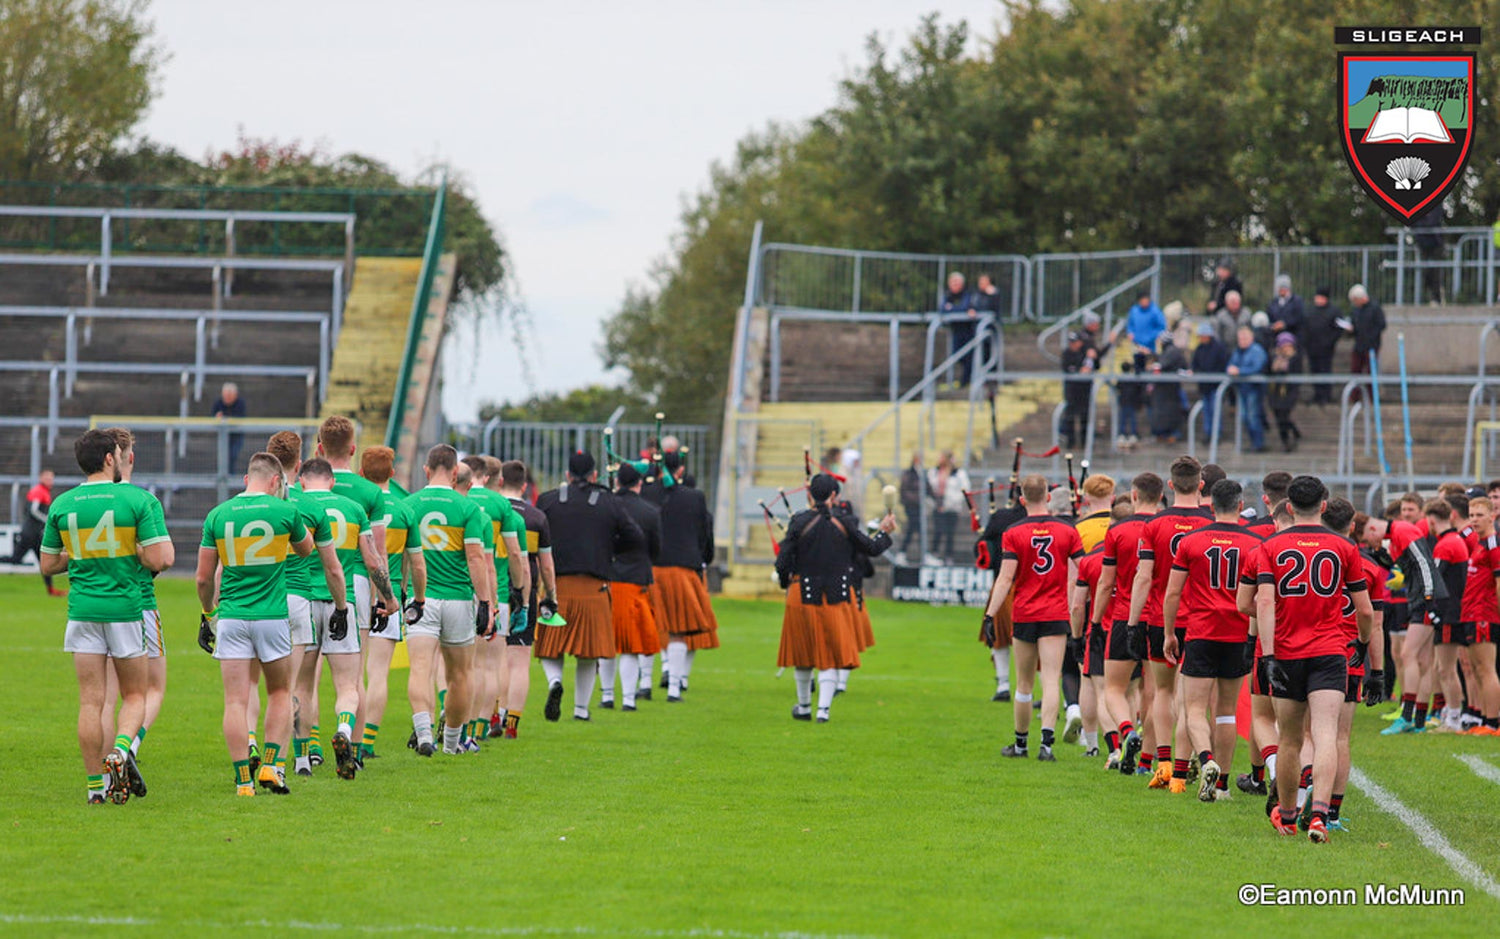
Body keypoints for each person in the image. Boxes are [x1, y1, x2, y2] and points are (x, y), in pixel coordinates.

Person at [41, 429, 173, 803]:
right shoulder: (135, 499)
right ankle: (120, 752)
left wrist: (84, 555)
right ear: (110, 459)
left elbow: (49, 564)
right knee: (134, 695)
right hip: (126, 610)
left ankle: (95, 789)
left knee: (90, 701)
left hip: (82, 610)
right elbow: (160, 558)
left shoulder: (63, 504)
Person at [1254, 476, 1374, 842]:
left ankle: (1288, 817)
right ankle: (1320, 815)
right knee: (1325, 734)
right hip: (1329, 651)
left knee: (1289, 740)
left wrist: (1269, 654)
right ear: (1324, 506)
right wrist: (1364, 644)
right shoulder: (1344, 547)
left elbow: (1260, 602)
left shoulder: (1270, 545)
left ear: (1288, 507)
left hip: (1287, 652)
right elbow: (1364, 610)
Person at [196, 452, 323, 796]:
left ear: (246, 479)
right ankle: (270, 764)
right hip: (272, 617)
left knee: (235, 701)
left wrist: (209, 614)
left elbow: (204, 578)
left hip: (233, 617)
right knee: (280, 692)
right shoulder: (286, 510)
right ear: (275, 482)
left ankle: (243, 782)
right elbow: (307, 550)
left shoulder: (218, 514)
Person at [1163, 479, 1262, 802]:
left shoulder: (1192, 541)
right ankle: (1222, 785)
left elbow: (1173, 592)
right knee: (1226, 712)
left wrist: (1168, 634)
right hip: (1237, 633)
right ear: (1239, 504)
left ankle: (1206, 759)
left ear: (1210, 506)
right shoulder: (1255, 543)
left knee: (1193, 709)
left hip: (1202, 632)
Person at [295, 458, 390, 776]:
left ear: (302, 480)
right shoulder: (354, 509)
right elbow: (373, 560)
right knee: (348, 685)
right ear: (332, 481)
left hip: (304, 602)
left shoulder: (296, 505)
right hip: (343, 601)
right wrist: (387, 599)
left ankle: (302, 759)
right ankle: (346, 732)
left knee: (302, 685)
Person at [775, 473, 895, 722]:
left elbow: (782, 561)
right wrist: (884, 531)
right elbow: (871, 549)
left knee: (803, 653)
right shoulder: (845, 522)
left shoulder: (798, 521)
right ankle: (823, 710)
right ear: (833, 496)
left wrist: (786, 582)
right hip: (836, 596)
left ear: (809, 495)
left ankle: (804, 707)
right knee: (829, 653)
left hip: (801, 595)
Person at [1125, 456, 1212, 793]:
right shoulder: (1212, 522)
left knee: (1162, 691)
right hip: (1203, 621)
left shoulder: (1154, 524)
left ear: (1171, 485)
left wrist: (1133, 623)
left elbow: (1143, 577)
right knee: (1191, 700)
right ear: (1201, 485)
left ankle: (1162, 765)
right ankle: (1179, 775)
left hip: (1162, 619)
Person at [537, 451, 644, 721]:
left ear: (567, 476)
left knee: (550, 646)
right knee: (588, 652)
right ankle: (581, 710)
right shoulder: (608, 501)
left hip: (555, 586)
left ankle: (554, 682)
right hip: (594, 587)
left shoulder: (548, 500)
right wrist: (609, 548)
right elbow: (635, 536)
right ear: (595, 475)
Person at [985, 474, 1084, 761]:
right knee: (1051, 679)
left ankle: (1020, 744)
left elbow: (1005, 579)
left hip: (1025, 613)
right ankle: (1047, 745)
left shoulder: (1013, 532)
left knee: (1024, 683)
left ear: (1022, 499)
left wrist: (990, 615)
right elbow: (1084, 566)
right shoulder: (1067, 531)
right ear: (1049, 497)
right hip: (1055, 613)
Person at [403, 445, 494, 756]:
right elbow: (475, 557)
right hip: (456, 598)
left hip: (421, 598)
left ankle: (425, 734)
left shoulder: (409, 504)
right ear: (456, 473)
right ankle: (453, 744)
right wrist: (485, 604)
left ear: (426, 471)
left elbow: (404, 556)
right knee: (459, 675)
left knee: (420, 669)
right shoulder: (468, 508)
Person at [354, 444, 425, 762]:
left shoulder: (353, 504)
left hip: (354, 593)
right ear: (392, 473)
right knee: (378, 673)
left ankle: (321, 742)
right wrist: (410, 593)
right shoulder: (405, 509)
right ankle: (366, 743)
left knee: (351, 677)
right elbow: (416, 561)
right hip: (388, 596)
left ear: (360, 472)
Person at [102, 429, 168, 765]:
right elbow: (162, 559)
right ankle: (127, 747)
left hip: (94, 605)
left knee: (104, 695)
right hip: (139, 603)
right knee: (151, 688)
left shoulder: (86, 500)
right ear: (131, 457)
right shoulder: (145, 501)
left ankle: (98, 776)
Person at [1091, 472, 1162, 776]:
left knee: (1114, 688)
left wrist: (1095, 622)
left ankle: (1126, 730)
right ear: (1161, 496)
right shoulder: (1167, 529)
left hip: (1123, 615)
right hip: (1158, 617)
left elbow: (1106, 584)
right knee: (1155, 691)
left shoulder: (1117, 531)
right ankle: (1147, 759)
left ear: (1133, 496)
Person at [461, 455, 527, 739]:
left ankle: (450, 721)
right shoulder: (501, 504)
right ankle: (480, 727)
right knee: (490, 665)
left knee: (460, 666)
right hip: (496, 591)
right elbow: (515, 553)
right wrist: (520, 592)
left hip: (460, 589)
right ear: (489, 477)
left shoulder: (456, 499)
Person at [653, 451, 719, 699]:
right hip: (683, 569)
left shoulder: (648, 493)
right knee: (679, 630)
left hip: (649, 569)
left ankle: (642, 687)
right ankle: (675, 686)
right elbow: (704, 535)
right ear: (680, 471)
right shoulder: (695, 498)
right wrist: (703, 559)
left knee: (650, 629)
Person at [499, 460, 555, 737]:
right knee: (519, 659)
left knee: (491, 657)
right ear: (524, 486)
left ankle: (490, 716)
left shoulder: (490, 512)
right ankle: (512, 724)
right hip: (526, 591)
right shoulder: (536, 517)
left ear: (498, 482)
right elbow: (546, 564)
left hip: (494, 588)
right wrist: (550, 595)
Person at [601, 463, 661, 711]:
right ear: (638, 484)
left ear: (616, 483)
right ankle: (627, 698)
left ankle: (606, 696)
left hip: (605, 579)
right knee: (631, 644)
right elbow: (656, 550)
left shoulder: (604, 508)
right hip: (636, 581)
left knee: (608, 642)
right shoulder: (650, 512)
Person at [1460, 497, 1500, 734]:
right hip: (1471, 612)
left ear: (1492, 516)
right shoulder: (1479, 543)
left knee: (1486, 669)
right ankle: (1485, 718)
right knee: (1476, 668)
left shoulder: (1493, 545)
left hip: (1484, 613)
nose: (1474, 519)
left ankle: (1493, 722)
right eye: (1471, 515)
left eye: (1479, 515)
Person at [3, 468, 62, 596]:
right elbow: (33, 510)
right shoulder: (38, 491)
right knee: (15, 559)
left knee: (44, 562)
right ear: (41, 478)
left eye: (51, 478)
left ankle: (51, 590)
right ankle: (51, 589)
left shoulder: (44, 492)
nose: (50, 480)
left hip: (35, 534)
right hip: (29, 534)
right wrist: (47, 519)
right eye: (47, 478)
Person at [1227, 325, 1268, 452]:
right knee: (1245, 417)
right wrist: (1231, 369)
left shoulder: (1257, 350)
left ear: (1251, 338)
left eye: (1245, 337)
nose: (1242, 340)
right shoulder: (1238, 352)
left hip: (1254, 389)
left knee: (1252, 416)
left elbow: (1257, 368)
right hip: (1242, 389)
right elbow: (1230, 365)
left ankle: (1258, 444)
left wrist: (1240, 371)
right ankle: (1254, 443)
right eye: (1240, 338)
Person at [926, 451, 969, 563]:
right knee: (938, 530)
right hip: (938, 507)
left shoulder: (958, 473)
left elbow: (965, 490)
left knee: (950, 533)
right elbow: (929, 488)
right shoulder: (934, 472)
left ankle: (948, 556)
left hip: (952, 508)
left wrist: (952, 502)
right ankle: (934, 554)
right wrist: (934, 502)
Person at [1303, 287, 1344, 405]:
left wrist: (1330, 341)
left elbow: (1339, 328)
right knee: (1314, 370)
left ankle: (1326, 395)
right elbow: (1305, 327)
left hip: (1326, 348)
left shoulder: (1334, 311)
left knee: (1325, 370)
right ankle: (1317, 394)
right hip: (1311, 347)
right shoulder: (1310, 310)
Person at [1189, 321, 1230, 440]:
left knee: (1215, 411)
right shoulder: (1199, 349)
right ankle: (1208, 434)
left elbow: (1223, 364)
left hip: (1215, 386)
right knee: (1206, 411)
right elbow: (1195, 364)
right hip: (1204, 386)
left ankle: (1217, 434)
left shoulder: (1219, 348)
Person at [1267, 333, 1305, 452]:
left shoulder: (1296, 358)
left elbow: (1297, 373)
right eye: (1283, 345)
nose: (1286, 347)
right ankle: (1294, 431)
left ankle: (1286, 442)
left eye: (1288, 345)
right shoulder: (1273, 357)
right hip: (1275, 391)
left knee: (1283, 415)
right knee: (1278, 416)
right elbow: (1268, 371)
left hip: (1289, 391)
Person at [941, 272, 979, 387]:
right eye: (952, 282)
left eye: (957, 282)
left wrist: (952, 308)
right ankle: (966, 380)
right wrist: (958, 310)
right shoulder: (947, 295)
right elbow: (942, 309)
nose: (954, 285)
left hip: (968, 330)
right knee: (957, 354)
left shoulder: (968, 294)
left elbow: (965, 307)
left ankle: (966, 381)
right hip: (956, 330)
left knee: (969, 356)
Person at [1060, 331, 1097, 449]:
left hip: (1084, 391)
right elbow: (1068, 368)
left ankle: (1085, 443)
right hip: (1071, 391)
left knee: (1084, 417)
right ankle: (1071, 443)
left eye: (1075, 342)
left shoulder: (1085, 353)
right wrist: (1079, 370)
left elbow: (1096, 364)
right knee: (1070, 417)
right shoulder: (1067, 354)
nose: (1073, 344)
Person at [1148, 336, 1187, 443]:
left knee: (1171, 413)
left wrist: (1154, 367)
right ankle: (1164, 433)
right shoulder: (1169, 351)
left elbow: (1162, 365)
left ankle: (1172, 434)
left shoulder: (1172, 351)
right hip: (1167, 391)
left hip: (1170, 391)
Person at [1346, 284, 1386, 378]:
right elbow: (1354, 325)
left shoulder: (1375, 308)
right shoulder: (1356, 310)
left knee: (1371, 373)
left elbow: (1381, 325)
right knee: (1355, 371)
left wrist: (1370, 336)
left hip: (1371, 346)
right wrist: (1350, 330)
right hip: (1359, 345)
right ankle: (1355, 391)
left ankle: (1372, 392)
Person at [896, 452, 928, 565]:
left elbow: (928, 488)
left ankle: (905, 552)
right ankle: (904, 552)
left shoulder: (922, 473)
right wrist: (916, 499)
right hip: (911, 506)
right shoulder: (909, 473)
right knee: (915, 528)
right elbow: (904, 490)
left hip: (918, 506)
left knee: (915, 528)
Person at [211, 382, 247, 475]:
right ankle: (223, 476)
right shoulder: (218, 403)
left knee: (232, 456)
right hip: (223, 436)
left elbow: (239, 418)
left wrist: (226, 419)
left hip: (236, 436)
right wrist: (217, 418)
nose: (227, 398)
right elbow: (213, 417)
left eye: (230, 395)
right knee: (223, 457)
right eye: (226, 395)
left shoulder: (240, 404)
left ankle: (230, 476)